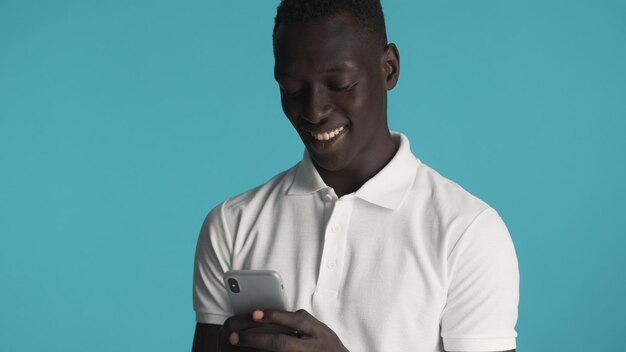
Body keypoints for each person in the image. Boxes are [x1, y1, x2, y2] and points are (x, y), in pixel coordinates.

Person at [192, 0, 519, 351]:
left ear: (389, 69)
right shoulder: (231, 224)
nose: (315, 111)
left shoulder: (467, 232)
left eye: (340, 84)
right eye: (292, 90)